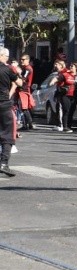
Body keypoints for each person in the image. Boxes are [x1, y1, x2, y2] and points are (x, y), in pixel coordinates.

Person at [0, 48, 23, 177]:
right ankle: (4, 163)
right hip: (4, 103)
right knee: (8, 134)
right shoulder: (8, 69)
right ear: (4, 56)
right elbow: (19, 82)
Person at [50, 59, 76, 132]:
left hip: (65, 93)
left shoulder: (64, 72)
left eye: (57, 64)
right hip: (61, 92)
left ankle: (63, 125)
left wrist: (52, 81)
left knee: (63, 109)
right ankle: (61, 125)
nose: (55, 66)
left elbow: (58, 78)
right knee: (59, 108)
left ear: (61, 65)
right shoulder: (59, 72)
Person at [17, 54, 35, 131]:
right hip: (23, 89)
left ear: (28, 60)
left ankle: (28, 124)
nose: (21, 61)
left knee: (24, 108)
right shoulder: (25, 68)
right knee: (23, 107)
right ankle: (27, 124)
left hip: (24, 90)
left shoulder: (28, 69)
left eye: (23, 59)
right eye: (21, 59)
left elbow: (23, 79)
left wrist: (17, 73)